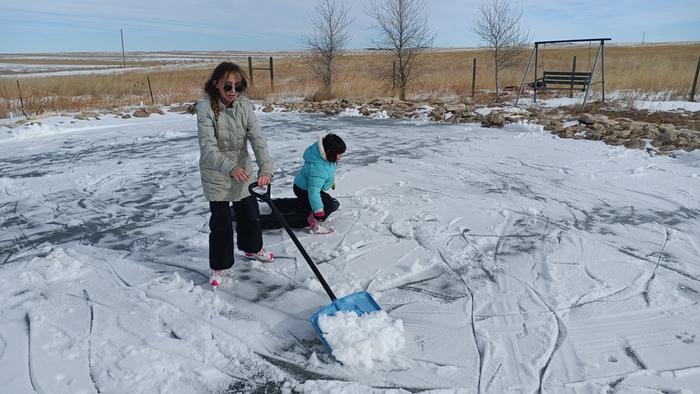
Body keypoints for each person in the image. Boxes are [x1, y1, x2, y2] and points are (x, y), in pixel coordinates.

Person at [196, 62, 275, 288]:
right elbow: (208, 148)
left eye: (238, 87)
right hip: (216, 172)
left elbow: (257, 139)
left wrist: (265, 168)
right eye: (228, 86)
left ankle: (252, 248)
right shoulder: (205, 108)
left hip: (242, 169)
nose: (232, 92)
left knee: (250, 214)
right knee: (221, 222)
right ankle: (219, 264)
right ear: (216, 84)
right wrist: (229, 167)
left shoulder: (244, 106)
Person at [293, 133, 345, 234]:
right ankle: (314, 223)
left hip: (304, 186)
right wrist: (318, 209)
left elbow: (328, 172)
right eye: (338, 154)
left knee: (328, 202)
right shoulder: (318, 168)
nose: (340, 157)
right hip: (304, 190)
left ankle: (306, 208)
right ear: (329, 151)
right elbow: (313, 191)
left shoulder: (323, 157)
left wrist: (330, 182)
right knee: (328, 205)